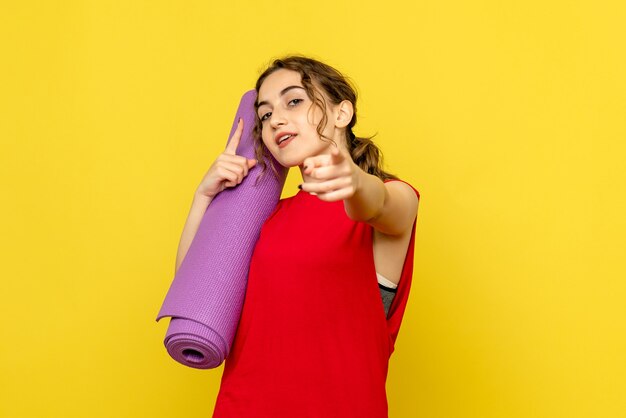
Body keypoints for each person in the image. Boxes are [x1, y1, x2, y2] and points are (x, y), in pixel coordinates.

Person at [175, 55, 420, 417]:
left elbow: (380, 204)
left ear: (342, 113)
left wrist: (353, 181)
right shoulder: (264, 219)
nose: (276, 120)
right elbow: (195, 295)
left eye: (294, 101)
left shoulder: (391, 198)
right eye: (265, 114)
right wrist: (203, 198)